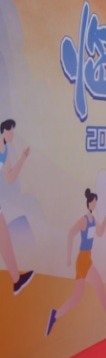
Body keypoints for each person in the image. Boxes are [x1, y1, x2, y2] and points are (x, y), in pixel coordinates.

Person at [46, 188, 106, 336]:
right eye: (94, 203)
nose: (95, 205)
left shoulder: (93, 220)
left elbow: (100, 232)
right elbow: (70, 234)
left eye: (96, 203)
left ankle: (55, 316)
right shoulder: (84, 220)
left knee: (77, 297)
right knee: (98, 284)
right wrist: (68, 257)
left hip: (85, 259)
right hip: (83, 260)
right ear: (89, 203)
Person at [0, 119, 33, 294]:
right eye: (11, 131)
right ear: (4, 131)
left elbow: (10, 178)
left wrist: (22, 159)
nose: (13, 135)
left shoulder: (4, 150)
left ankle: (16, 280)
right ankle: (16, 280)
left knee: (3, 236)